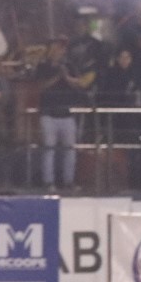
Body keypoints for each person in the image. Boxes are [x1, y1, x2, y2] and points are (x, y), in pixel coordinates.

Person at [32, 37, 88, 189]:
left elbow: (79, 82)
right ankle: (48, 181)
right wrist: (58, 76)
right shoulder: (43, 66)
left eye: (61, 49)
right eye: (56, 48)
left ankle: (68, 181)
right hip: (48, 113)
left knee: (70, 150)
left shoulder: (69, 65)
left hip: (67, 113)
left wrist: (66, 77)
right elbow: (41, 86)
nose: (59, 51)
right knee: (49, 149)